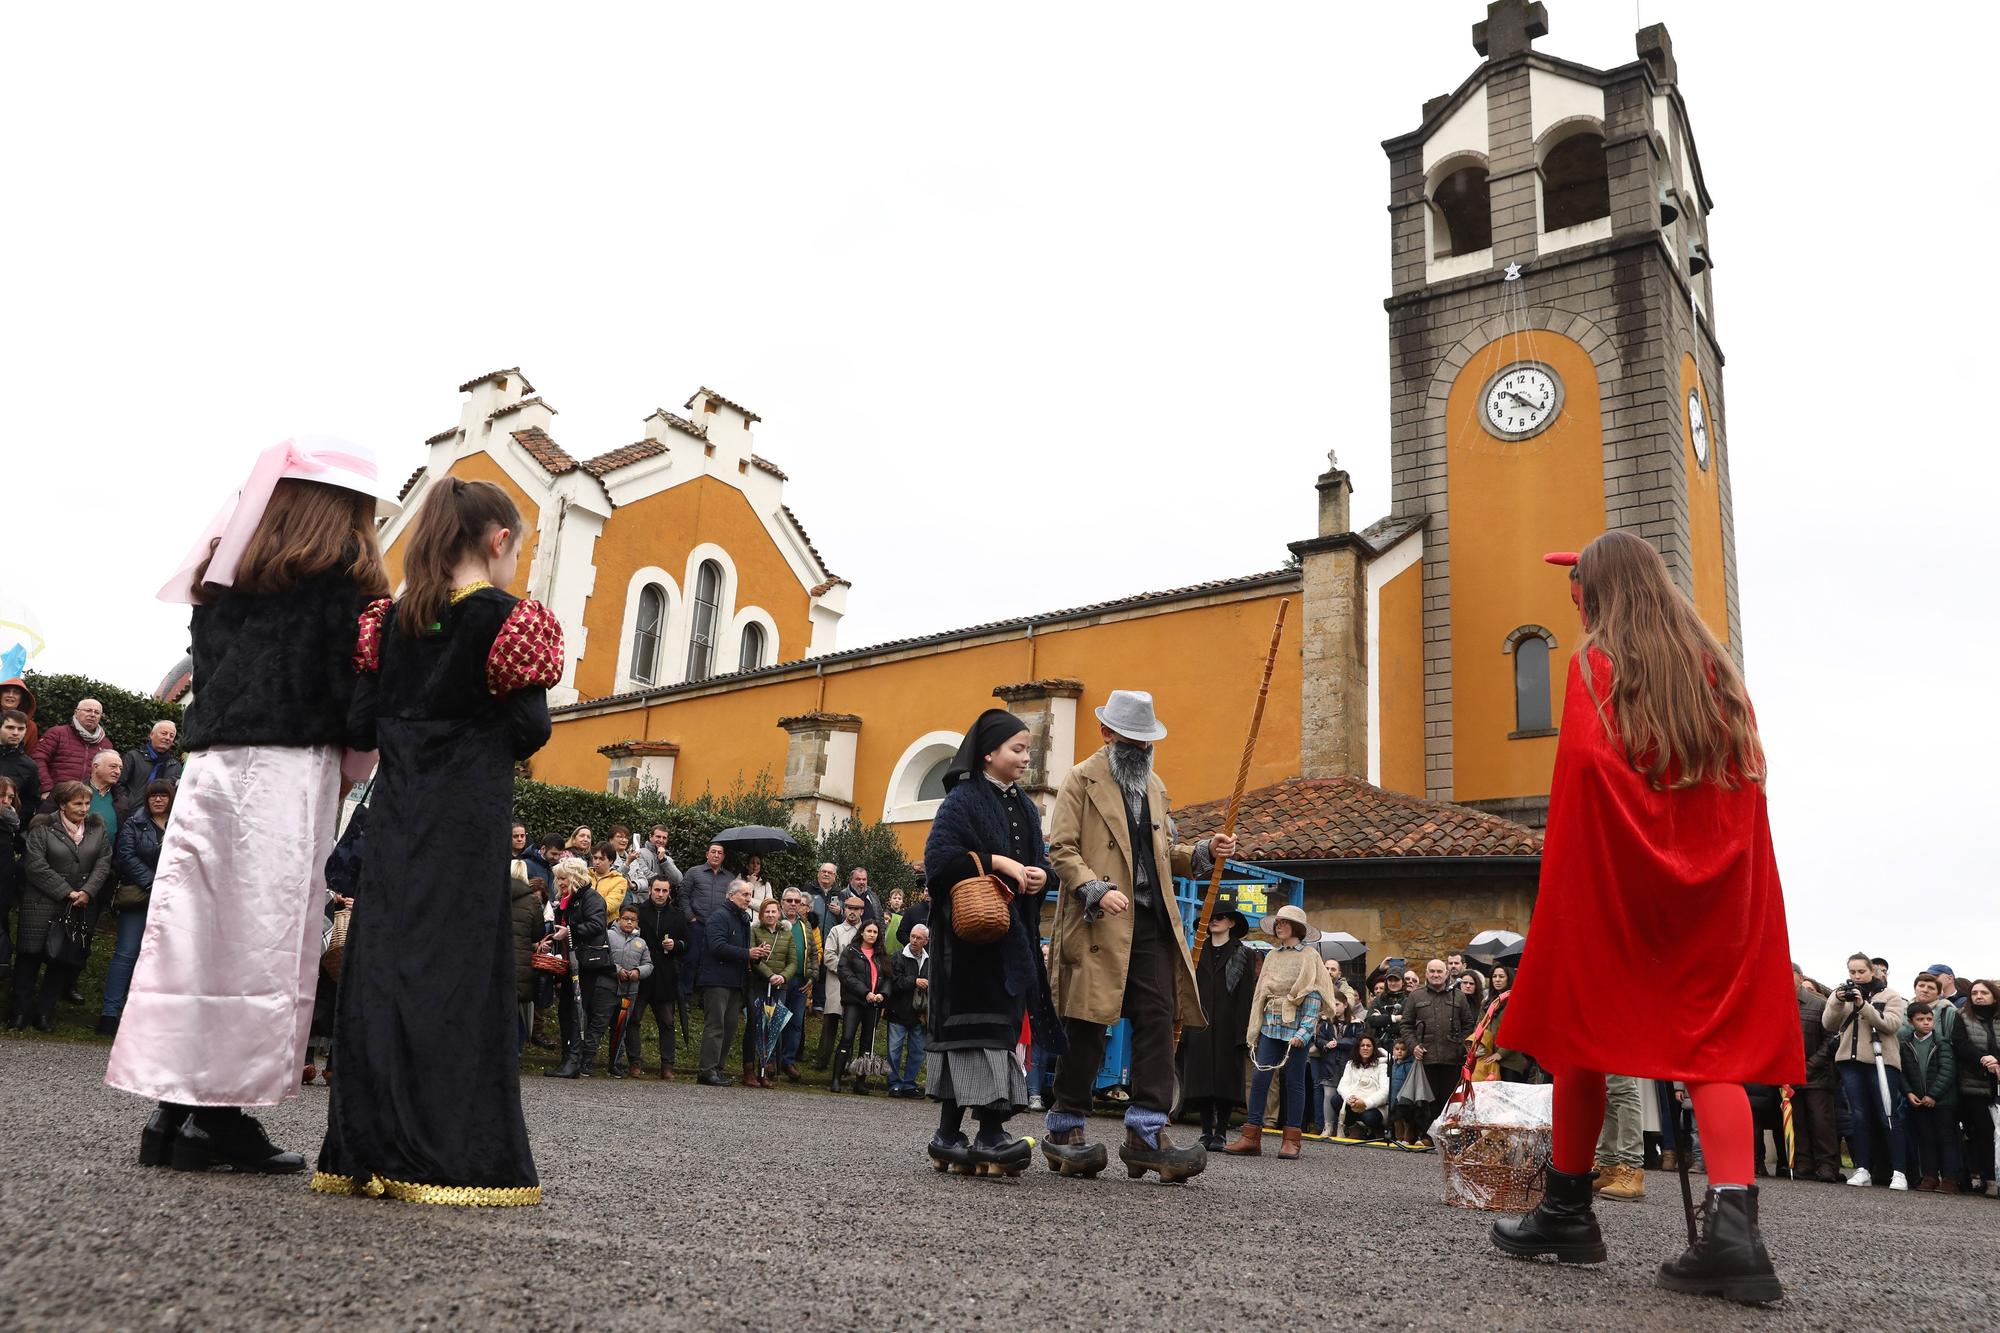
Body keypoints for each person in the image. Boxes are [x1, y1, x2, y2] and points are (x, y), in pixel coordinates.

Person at [1492, 535, 1800, 1306]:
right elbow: (1744, 783)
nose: (1572, 595)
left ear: (1600, 593)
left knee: (1579, 1032)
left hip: (1621, 883)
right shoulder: (1717, 671)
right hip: (1713, 885)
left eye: (1579, 584)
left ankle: (1568, 1210)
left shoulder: (1595, 667)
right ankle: (1737, 1232)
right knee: (1711, 1045)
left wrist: (1589, 879)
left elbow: (1587, 775)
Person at [105, 439, 393, 1175]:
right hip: (286, 769)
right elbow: (349, 703)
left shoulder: (225, 579)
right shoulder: (342, 582)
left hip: (213, 768)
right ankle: (217, 1116)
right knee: (258, 941)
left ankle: (172, 1113)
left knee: (195, 937)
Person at [314, 477, 559, 1207]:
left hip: (397, 820)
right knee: (456, 974)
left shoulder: (387, 621)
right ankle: (444, 1151)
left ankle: (366, 1148)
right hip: (465, 820)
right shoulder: (505, 617)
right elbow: (529, 730)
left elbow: (360, 726)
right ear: (497, 540)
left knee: (384, 968)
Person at [1043, 690, 1234, 1184]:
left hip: (1150, 921)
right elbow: (1061, 849)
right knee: (1087, 1024)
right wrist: (1094, 889)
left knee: (1157, 1018)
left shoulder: (1155, 786)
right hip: (1097, 919)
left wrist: (1205, 852)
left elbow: (1163, 851)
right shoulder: (1079, 780)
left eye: (1147, 742)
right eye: (1132, 741)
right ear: (1107, 734)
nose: (1141, 750)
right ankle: (1065, 1126)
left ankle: (1146, 1130)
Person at [918, 708, 1067, 1175]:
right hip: (965, 945)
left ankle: (949, 1136)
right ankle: (986, 1134)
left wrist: (1044, 875)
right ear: (989, 753)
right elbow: (938, 862)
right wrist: (996, 861)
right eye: (1017, 750)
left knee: (997, 1031)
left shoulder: (1025, 806)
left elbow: (1034, 867)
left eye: (1027, 750)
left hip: (1011, 940)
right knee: (973, 1031)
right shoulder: (961, 800)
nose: (1026, 758)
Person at [1225, 905, 1334, 1160]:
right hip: (1270, 1026)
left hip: (1297, 1028)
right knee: (1260, 1080)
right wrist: (1255, 1028)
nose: (1279, 926)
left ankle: (1292, 1139)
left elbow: (1314, 993)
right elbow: (1260, 994)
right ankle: (1251, 1136)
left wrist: (1304, 1032)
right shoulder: (1272, 956)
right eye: (1278, 922)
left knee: (1295, 1081)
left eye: (1284, 922)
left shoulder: (1309, 956)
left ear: (1296, 927)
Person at [11, 780, 111, 1029]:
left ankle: (44, 1014)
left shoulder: (97, 828)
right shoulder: (42, 827)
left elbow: (103, 862)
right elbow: (35, 865)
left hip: (77, 907)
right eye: (78, 803)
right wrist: (67, 891)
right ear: (62, 804)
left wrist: (87, 891)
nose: (84, 808)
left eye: (87, 803)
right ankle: (19, 1014)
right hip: (41, 903)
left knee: (61, 960)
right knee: (29, 960)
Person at [1823, 953, 1911, 1190]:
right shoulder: (1840, 994)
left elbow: (1890, 1025)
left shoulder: (1889, 995)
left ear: (1872, 971)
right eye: (1852, 972)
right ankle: (1862, 1169)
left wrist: (1864, 1005)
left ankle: (1899, 1171)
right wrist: (1837, 1001)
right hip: (1849, 1062)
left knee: (1888, 1115)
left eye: (1861, 971)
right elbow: (1828, 1024)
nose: (1856, 976)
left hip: (1882, 1062)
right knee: (1859, 1117)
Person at [98, 779, 174, 1036]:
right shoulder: (134, 822)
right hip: (138, 896)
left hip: (171, 901)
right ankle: (109, 1014)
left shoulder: (182, 826)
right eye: (154, 796)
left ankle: (147, 1019)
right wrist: (153, 882)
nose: (158, 800)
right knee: (126, 953)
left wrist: (167, 886)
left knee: (162, 960)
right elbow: (126, 856)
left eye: (164, 796)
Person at [1178, 909, 1257, 1151]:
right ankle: (1205, 1131)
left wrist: (1243, 1031)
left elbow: (1246, 996)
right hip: (1200, 1023)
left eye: (1219, 917)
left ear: (1231, 923)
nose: (1213, 920)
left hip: (1229, 1024)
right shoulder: (1197, 952)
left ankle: (1221, 1132)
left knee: (1225, 1080)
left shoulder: (1245, 954)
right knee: (1201, 1078)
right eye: (1209, 917)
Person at [544, 858, 614, 1079]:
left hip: (587, 965)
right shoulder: (567, 899)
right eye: (558, 878)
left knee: (576, 1011)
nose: (560, 882)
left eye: (563, 878)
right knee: (566, 1010)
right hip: (570, 962)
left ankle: (574, 1061)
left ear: (575, 877)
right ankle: (568, 1059)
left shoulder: (592, 898)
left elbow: (596, 925)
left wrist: (569, 930)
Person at [1400, 958, 1474, 1138]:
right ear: (1426, 974)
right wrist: (1413, 1046)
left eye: (1439, 971)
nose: (1435, 975)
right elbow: (1405, 1025)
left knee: (1449, 1102)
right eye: (1432, 971)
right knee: (1427, 1103)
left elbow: (1468, 1025)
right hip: (1426, 1059)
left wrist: (1460, 1046)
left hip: (1452, 1060)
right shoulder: (1416, 996)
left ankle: (1449, 1139)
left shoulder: (1459, 996)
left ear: (1446, 973)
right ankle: (1429, 1138)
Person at [694, 879, 755, 1086]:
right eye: (744, 895)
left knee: (729, 1026)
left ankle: (718, 1069)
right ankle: (706, 1070)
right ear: (731, 895)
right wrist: (747, 953)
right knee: (716, 1025)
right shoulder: (719, 917)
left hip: (735, 981)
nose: (748, 899)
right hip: (717, 980)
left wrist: (753, 954)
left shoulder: (743, 919)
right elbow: (717, 946)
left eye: (750, 895)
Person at [1898, 1001, 1958, 1192]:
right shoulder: (1905, 1043)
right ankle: (1929, 1177)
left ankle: (1950, 1179)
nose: (1926, 1022)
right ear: (1910, 1021)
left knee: (1946, 1138)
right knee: (1925, 1139)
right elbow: (1903, 1072)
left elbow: (1947, 1071)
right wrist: (1908, 1092)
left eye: (1929, 1019)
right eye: (1920, 1019)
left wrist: (1933, 1095)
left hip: (1943, 1102)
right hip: (1919, 1101)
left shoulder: (1942, 1042)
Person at [1789, 965, 1841, 1184]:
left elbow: (1831, 1039)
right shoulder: (1775, 1004)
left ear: (1800, 978)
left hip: (1817, 1075)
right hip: (1789, 1076)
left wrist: (1809, 1066)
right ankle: (1803, 1163)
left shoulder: (1819, 1004)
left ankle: (1827, 1165)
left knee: (1821, 1122)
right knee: (1797, 1121)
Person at [634, 875, 688, 1079]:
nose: (661, 894)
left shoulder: (678, 915)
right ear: (650, 890)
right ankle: (635, 1062)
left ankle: (667, 1065)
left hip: (666, 975)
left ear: (670, 893)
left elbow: (687, 945)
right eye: (657, 890)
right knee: (634, 1019)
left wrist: (676, 945)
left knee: (666, 1022)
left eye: (665, 891)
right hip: (640, 973)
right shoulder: (638, 911)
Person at [1952, 979, 2000, 1197]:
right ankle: (1987, 1178)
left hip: (1997, 1081)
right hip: (1974, 1083)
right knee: (1982, 1132)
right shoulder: (1961, 1016)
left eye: (1984, 992)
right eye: (1974, 993)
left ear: (1994, 996)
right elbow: (1961, 1045)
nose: (1979, 996)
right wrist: (1984, 1059)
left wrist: (1997, 1061)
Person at [833, 918, 888, 1095]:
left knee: (867, 1043)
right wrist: (865, 992)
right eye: (869, 931)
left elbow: (888, 978)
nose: (872, 935)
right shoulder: (851, 951)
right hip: (854, 1002)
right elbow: (846, 975)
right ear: (862, 932)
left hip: (873, 1004)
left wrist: (883, 994)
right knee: (847, 1037)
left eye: (875, 932)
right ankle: (836, 1078)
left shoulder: (881, 954)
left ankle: (860, 1082)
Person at [747, 896, 797, 1085]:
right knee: (759, 1024)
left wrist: (783, 976)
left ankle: (770, 1067)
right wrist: (769, 975)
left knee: (775, 1026)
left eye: (773, 911)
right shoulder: (754, 930)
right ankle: (755, 1067)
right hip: (760, 984)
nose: (770, 914)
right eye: (767, 911)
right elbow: (754, 957)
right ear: (761, 914)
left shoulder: (787, 934)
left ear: (779, 914)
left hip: (780, 986)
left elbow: (793, 961)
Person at [33, 698, 116, 808]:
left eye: (97, 712)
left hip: (88, 802)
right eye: (88, 710)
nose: (92, 715)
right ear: (76, 712)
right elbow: (38, 759)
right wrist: (47, 788)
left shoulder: (106, 744)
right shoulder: (57, 733)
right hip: (56, 798)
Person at [605, 906, 654, 1079]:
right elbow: (605, 957)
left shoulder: (641, 942)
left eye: (632, 920)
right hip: (608, 989)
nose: (629, 922)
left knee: (620, 1028)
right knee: (599, 1024)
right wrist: (617, 970)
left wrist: (638, 972)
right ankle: (586, 1060)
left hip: (629, 992)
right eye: (625, 918)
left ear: (637, 923)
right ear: (618, 919)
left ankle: (615, 1064)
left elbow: (649, 964)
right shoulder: (609, 936)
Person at [816, 895, 864, 1068]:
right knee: (830, 1022)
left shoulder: (866, 932)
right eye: (849, 908)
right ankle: (822, 1060)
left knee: (851, 1026)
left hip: (858, 986)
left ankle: (844, 1063)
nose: (852, 911)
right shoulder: (835, 930)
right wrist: (846, 973)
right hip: (837, 983)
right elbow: (828, 957)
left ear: (862, 911)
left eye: (856, 909)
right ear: (844, 909)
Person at [884, 923, 930, 1099]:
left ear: (926, 941)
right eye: (912, 936)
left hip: (919, 1014)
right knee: (894, 1050)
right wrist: (915, 981)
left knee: (917, 1051)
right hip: (898, 1011)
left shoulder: (929, 960)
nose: (914, 940)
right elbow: (894, 982)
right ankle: (894, 1083)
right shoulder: (897, 957)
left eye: (919, 938)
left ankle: (909, 1084)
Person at [775, 888, 818, 1081]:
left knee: (795, 1024)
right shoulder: (775, 921)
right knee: (777, 1020)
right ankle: (771, 1060)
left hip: (801, 981)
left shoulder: (805, 925)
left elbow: (814, 952)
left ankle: (788, 1060)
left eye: (797, 901)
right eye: (789, 900)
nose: (793, 904)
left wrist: (812, 976)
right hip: (781, 979)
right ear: (782, 902)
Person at [114, 721, 182, 821]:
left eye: (171, 736)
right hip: (131, 816)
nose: (168, 738)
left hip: (160, 820)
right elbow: (118, 783)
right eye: (164, 733)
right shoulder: (133, 757)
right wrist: (127, 803)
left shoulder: (175, 766)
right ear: (151, 734)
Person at [510, 866, 542, 1055]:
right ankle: (517, 1051)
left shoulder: (493, 894)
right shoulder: (532, 901)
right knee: (518, 1009)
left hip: (498, 961)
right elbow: (537, 933)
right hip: (522, 961)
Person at [1334, 1034, 1390, 1139]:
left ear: (1373, 1049)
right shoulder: (1350, 1064)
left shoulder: (1382, 1065)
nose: (1365, 1048)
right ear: (1358, 1048)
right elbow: (1342, 1086)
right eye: (1362, 1045)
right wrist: (1350, 1098)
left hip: (1374, 1107)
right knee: (1336, 1100)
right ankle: (1355, 1128)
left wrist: (1365, 1103)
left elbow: (1385, 1091)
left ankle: (1377, 1131)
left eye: (1368, 1046)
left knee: (1369, 1117)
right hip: (1354, 1102)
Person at [628, 826, 681, 891]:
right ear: (650, 837)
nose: (661, 840)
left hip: (662, 899)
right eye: (658, 837)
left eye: (664, 838)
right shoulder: (639, 853)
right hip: (641, 898)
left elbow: (678, 880)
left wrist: (664, 861)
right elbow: (644, 875)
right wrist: (665, 881)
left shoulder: (667, 859)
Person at [1386, 1037, 1418, 1144]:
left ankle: (1407, 1138)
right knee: (1396, 1120)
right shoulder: (1393, 1064)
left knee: (1406, 1120)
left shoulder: (1410, 1064)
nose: (1399, 1051)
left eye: (1403, 1049)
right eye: (1397, 1049)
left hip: (1405, 1098)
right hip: (1393, 1097)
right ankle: (1398, 1138)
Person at [0, 679, 41, 757]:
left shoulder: (30, 726)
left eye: (16, 692)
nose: (11, 695)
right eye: (6, 691)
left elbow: (29, 754)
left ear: (22, 699)